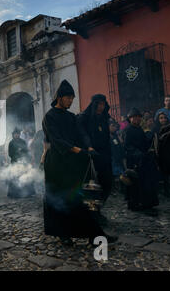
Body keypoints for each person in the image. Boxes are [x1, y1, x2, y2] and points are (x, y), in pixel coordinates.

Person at [42, 79, 116, 246]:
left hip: (73, 163)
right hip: (56, 164)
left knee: (80, 200)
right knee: (59, 200)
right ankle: (63, 234)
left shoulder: (71, 117)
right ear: (59, 98)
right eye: (68, 98)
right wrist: (77, 150)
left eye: (72, 99)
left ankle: (94, 235)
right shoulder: (49, 116)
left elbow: (81, 134)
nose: (70, 101)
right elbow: (57, 140)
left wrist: (88, 147)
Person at [77, 94, 112, 203]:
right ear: (94, 104)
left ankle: (100, 204)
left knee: (107, 181)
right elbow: (83, 134)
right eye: (99, 104)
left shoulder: (104, 117)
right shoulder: (84, 117)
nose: (101, 107)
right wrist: (89, 146)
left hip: (104, 155)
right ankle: (92, 211)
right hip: (90, 156)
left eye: (103, 104)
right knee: (91, 185)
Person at [124, 108, 159, 212]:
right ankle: (134, 204)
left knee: (144, 183)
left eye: (139, 117)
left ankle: (145, 203)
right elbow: (127, 146)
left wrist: (150, 136)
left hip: (143, 160)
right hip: (134, 160)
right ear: (130, 118)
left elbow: (144, 144)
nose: (137, 119)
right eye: (135, 117)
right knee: (134, 183)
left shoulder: (139, 129)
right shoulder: (128, 130)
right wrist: (138, 154)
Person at [7, 128, 33, 198]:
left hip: (23, 162)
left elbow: (26, 151)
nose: (16, 135)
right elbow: (10, 154)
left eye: (18, 134)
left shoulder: (23, 142)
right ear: (13, 135)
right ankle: (15, 194)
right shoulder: (11, 143)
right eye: (15, 134)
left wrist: (22, 152)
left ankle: (27, 193)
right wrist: (16, 152)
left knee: (24, 177)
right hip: (15, 162)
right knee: (14, 177)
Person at [109, 119, 125, 195]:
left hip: (118, 157)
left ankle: (121, 189)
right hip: (111, 158)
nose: (114, 128)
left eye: (115, 126)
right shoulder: (106, 136)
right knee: (112, 175)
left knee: (121, 174)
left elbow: (120, 144)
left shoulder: (116, 135)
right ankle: (112, 189)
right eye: (112, 126)